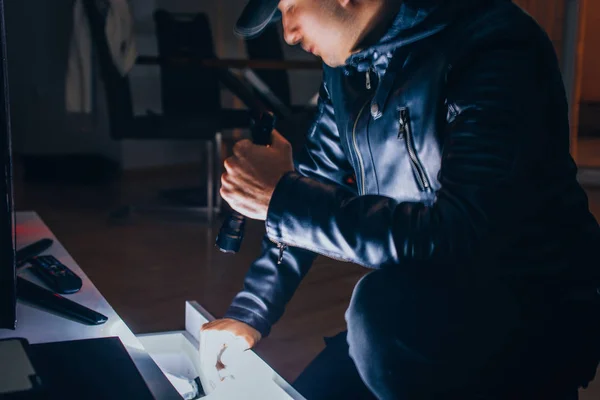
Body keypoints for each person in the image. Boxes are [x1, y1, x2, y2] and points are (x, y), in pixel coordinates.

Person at [200, 0, 600, 398]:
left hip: (530, 314)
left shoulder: (492, 44)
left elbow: (460, 236)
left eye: (289, 5)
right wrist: (250, 312)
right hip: (424, 303)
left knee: (379, 312)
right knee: (318, 385)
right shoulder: (347, 70)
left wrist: (282, 198)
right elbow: (316, 177)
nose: (287, 32)